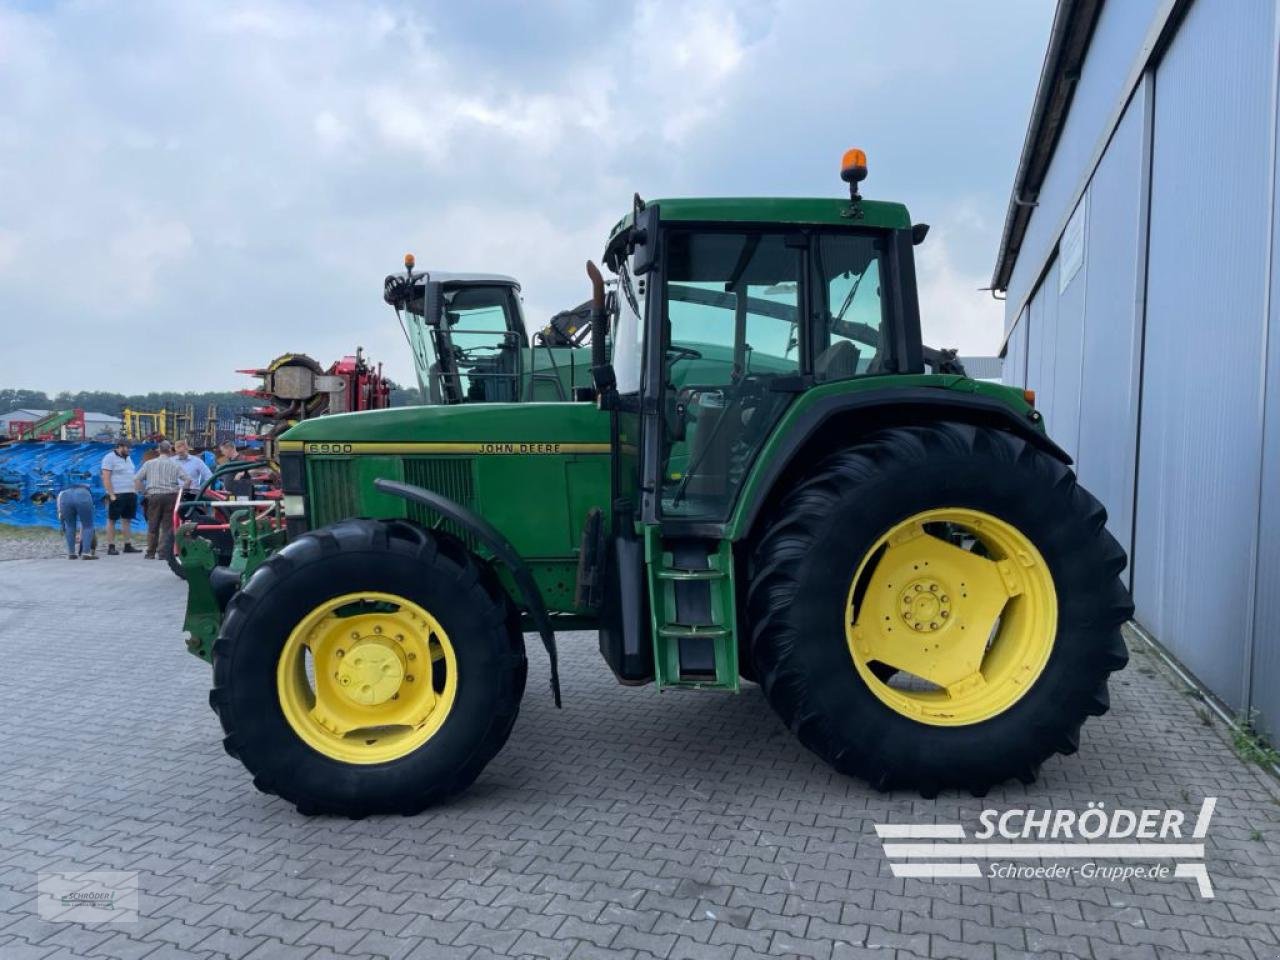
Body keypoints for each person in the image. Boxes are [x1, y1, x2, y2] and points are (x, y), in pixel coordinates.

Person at [134, 440, 186, 560]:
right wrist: (180, 491)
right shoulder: (175, 465)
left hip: (154, 497)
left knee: (153, 524)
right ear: (170, 450)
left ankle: (150, 552)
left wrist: (144, 492)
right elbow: (187, 480)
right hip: (171, 497)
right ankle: (163, 553)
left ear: (158, 450)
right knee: (167, 526)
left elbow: (137, 479)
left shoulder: (149, 464)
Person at [100, 439, 140, 555]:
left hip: (130, 493)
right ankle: (111, 546)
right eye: (128, 448)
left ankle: (127, 545)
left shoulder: (128, 458)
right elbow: (106, 477)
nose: (129, 450)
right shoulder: (109, 458)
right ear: (120, 447)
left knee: (127, 520)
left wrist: (135, 491)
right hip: (117, 494)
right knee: (112, 520)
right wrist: (111, 494)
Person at [56, 482, 98, 560]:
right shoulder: (86, 486)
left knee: (69, 525)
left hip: (64, 495)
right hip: (83, 495)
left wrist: (61, 519)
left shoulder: (65, 485)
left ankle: (71, 553)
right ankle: (86, 553)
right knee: (88, 525)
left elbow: (59, 497)